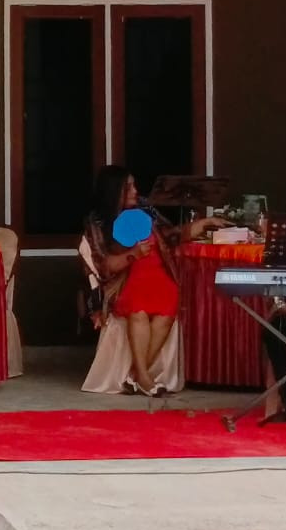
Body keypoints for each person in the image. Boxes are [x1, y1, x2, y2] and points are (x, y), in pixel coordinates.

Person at [82, 165, 223, 396]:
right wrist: (133, 254)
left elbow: (170, 236)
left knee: (168, 307)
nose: (136, 191)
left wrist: (201, 224)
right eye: (129, 187)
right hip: (126, 278)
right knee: (138, 310)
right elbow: (103, 266)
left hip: (158, 272)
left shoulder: (145, 209)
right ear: (114, 191)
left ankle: (136, 375)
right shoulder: (97, 222)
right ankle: (145, 379)